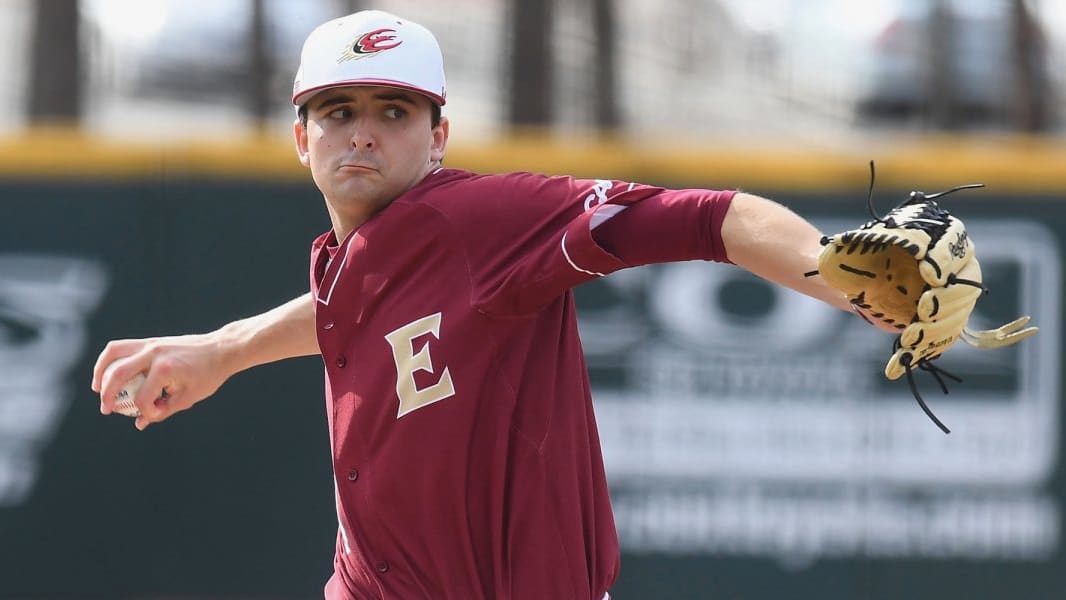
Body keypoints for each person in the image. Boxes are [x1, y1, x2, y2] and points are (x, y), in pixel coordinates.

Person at [91, 10, 883, 600]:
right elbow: (346, 314)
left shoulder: (487, 222)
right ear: (302, 138)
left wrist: (825, 267)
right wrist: (222, 350)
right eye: (338, 112)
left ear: (439, 136)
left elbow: (714, 217)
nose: (362, 134)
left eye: (393, 112)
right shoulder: (358, 263)